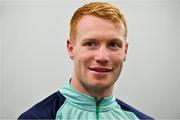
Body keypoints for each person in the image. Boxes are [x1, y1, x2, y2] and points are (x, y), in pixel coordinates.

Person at [18, 2, 153, 120]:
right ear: (71, 48)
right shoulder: (37, 117)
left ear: (125, 51)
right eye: (90, 43)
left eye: (113, 44)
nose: (102, 57)